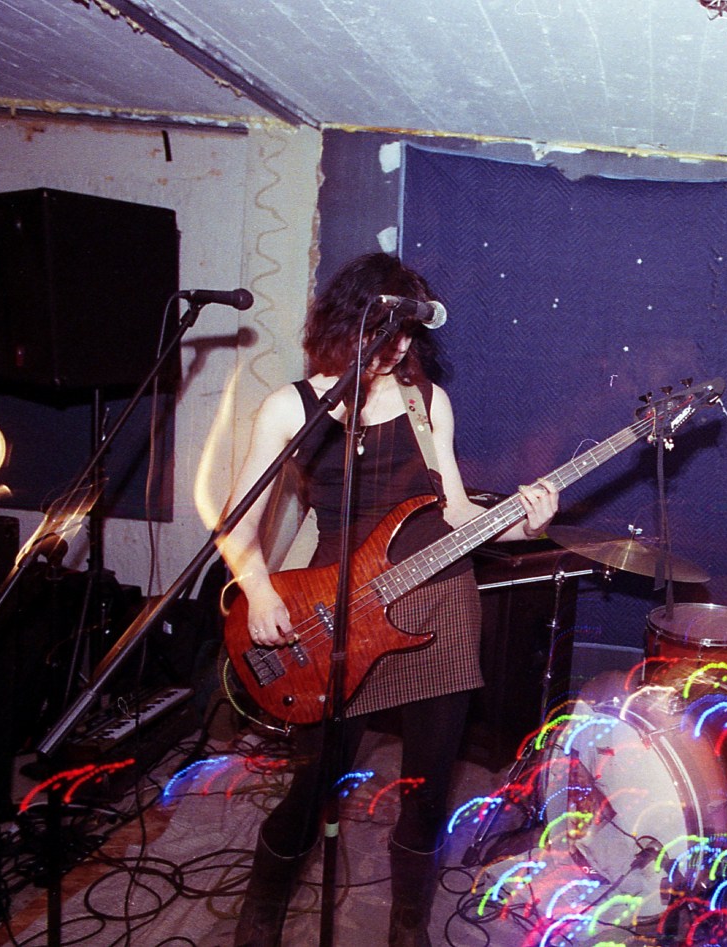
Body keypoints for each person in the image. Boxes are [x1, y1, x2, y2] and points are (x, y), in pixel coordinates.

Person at [218, 252, 558, 947]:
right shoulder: (291, 406)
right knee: (312, 788)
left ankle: (407, 924)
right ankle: (263, 914)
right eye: (389, 328)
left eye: (410, 332)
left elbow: (456, 510)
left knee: (427, 791)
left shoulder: (427, 400)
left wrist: (526, 523)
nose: (402, 345)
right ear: (349, 321)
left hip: (440, 604)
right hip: (337, 610)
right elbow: (234, 524)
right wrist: (256, 588)